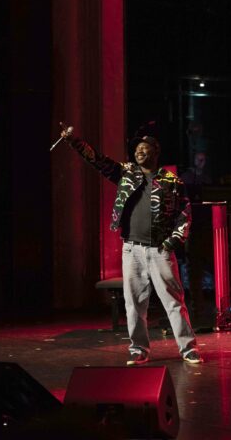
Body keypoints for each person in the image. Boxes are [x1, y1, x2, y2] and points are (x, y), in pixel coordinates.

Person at [59, 123, 202, 365]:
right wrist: (75, 142)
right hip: (132, 249)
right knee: (133, 304)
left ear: (155, 152)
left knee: (173, 302)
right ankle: (138, 349)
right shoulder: (127, 173)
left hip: (159, 249)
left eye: (144, 148)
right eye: (136, 149)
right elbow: (99, 161)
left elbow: (184, 214)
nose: (138, 152)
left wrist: (172, 242)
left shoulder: (171, 181)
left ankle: (188, 348)